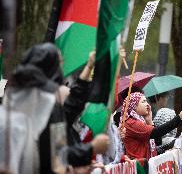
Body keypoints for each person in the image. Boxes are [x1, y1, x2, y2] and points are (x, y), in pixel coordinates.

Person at [1, 43, 109, 174]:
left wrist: (89, 66)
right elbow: (54, 155)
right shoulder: (24, 111)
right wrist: (91, 149)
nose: (62, 65)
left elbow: (69, 110)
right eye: (58, 61)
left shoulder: (45, 103)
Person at [120, 92, 182, 160]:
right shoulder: (131, 123)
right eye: (143, 102)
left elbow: (157, 141)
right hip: (138, 166)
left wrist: (149, 121)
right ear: (134, 106)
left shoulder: (140, 120)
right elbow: (156, 133)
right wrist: (178, 119)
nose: (147, 104)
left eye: (147, 101)